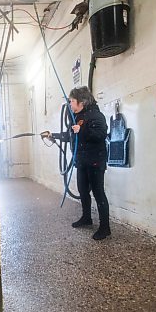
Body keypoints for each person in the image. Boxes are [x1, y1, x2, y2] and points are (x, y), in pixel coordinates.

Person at [68, 86, 110, 240]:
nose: (70, 104)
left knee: (98, 193)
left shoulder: (96, 116)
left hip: (95, 161)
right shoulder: (78, 116)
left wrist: (82, 130)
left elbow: (100, 135)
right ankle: (87, 218)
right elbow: (73, 135)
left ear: (82, 103)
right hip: (82, 161)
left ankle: (105, 228)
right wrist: (53, 136)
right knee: (83, 191)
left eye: (72, 101)